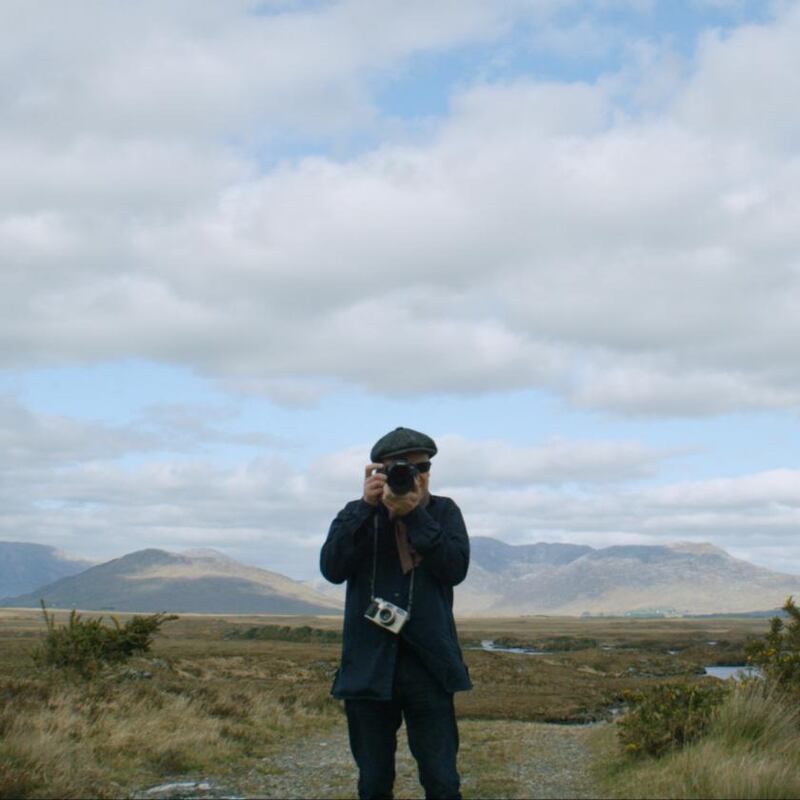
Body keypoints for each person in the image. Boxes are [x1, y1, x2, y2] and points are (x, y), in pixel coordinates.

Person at [320, 426, 472, 800]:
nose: (413, 475)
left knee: (442, 781)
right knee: (373, 783)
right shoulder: (356, 514)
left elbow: (455, 569)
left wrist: (415, 516)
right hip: (368, 668)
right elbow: (332, 569)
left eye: (422, 467)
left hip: (429, 668)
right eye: (400, 469)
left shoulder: (444, 512)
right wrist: (364, 508)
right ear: (379, 472)